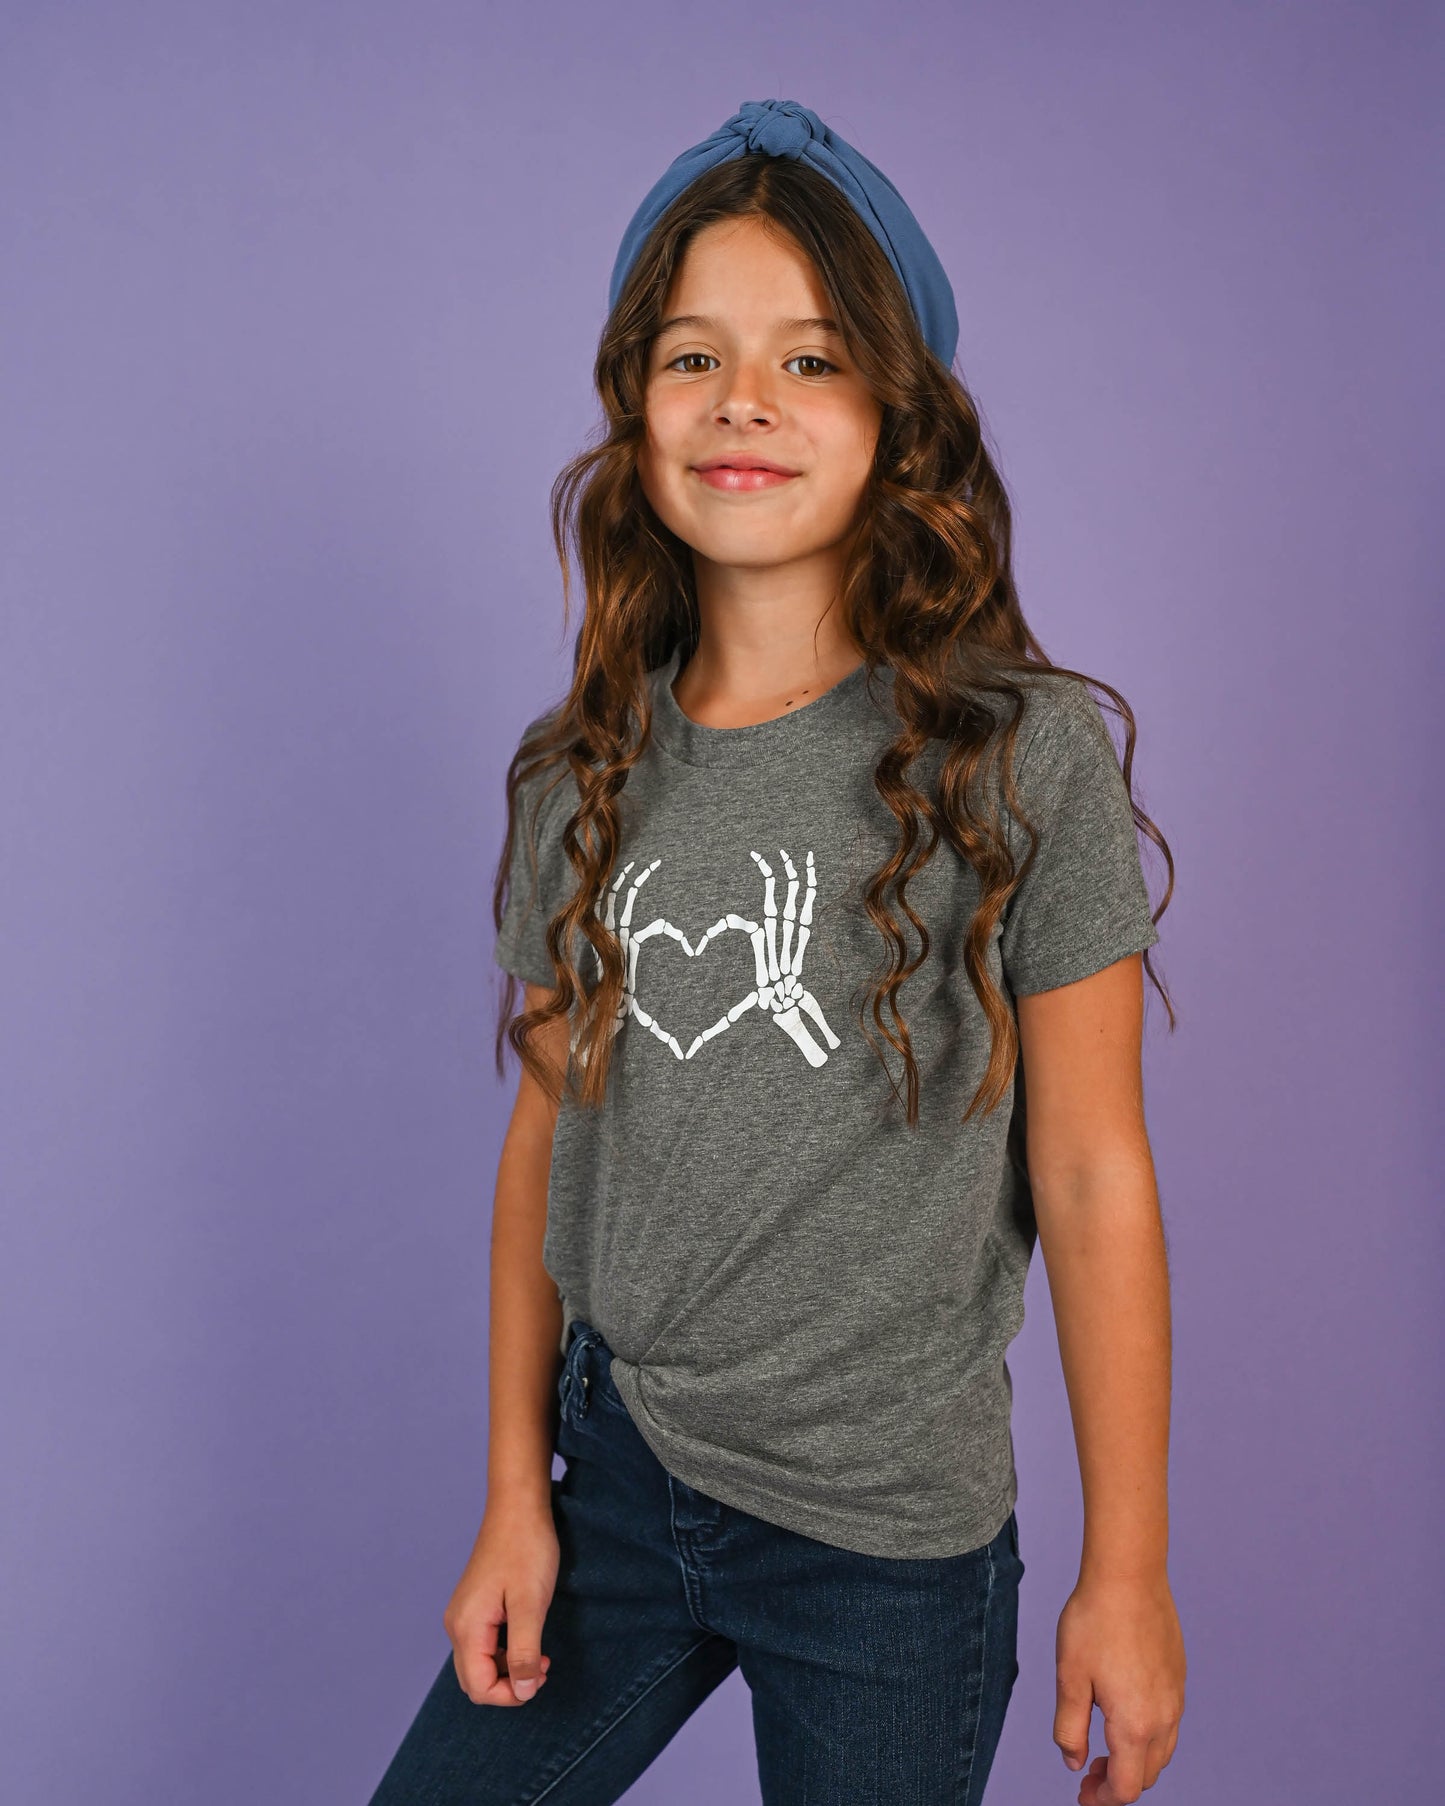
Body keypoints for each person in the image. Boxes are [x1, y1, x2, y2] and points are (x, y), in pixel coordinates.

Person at [370, 98, 1186, 1806]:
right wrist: (515, 1493)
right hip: (616, 1482)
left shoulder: (1016, 756)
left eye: (810, 359)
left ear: (898, 421)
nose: (743, 399)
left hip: (883, 1542)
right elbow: (546, 1139)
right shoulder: (578, 767)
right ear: (635, 408)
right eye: (692, 356)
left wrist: (1127, 1569)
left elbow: (1095, 1169)